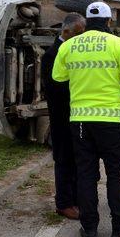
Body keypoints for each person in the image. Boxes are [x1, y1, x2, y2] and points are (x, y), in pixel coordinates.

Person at [52, 2, 120, 237]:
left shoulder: (70, 46)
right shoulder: (119, 44)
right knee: (117, 174)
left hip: (80, 121)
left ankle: (90, 228)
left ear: (86, 21)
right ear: (109, 21)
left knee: (85, 174)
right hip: (110, 121)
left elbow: (58, 79)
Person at [41, 12, 86, 220]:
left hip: (76, 114)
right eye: (77, 33)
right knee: (64, 159)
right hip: (61, 116)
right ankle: (64, 203)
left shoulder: (73, 49)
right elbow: (55, 88)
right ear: (66, 32)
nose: (80, 37)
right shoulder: (53, 54)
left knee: (77, 158)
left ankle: (76, 198)